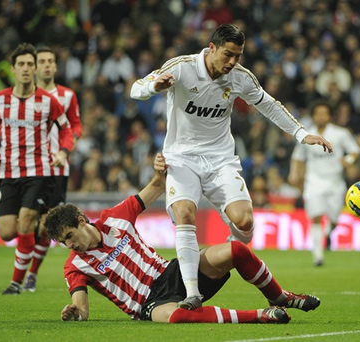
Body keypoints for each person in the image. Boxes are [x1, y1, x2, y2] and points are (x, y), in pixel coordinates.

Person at [130, 23, 333, 309]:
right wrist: (153, 86)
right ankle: (192, 294)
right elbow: (136, 89)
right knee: (185, 213)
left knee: (245, 222)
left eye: (238, 55)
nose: (233, 62)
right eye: (228, 54)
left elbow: (269, 105)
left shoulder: (239, 77)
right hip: (181, 158)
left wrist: (302, 133)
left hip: (220, 159)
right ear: (211, 48)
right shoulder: (182, 67)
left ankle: (227, 254)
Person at [44, 153, 320, 324]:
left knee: (236, 250)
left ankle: (280, 298)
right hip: (148, 304)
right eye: (64, 243)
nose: (70, 246)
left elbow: (155, 187)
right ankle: (260, 316)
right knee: (178, 317)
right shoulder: (75, 266)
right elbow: (83, 309)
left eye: (69, 236)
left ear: (81, 221)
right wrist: (74, 312)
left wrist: (158, 170)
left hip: (174, 272)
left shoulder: (115, 217)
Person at [0, 43, 74, 295]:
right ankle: (30, 250)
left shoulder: (48, 101)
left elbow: (66, 128)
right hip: (9, 172)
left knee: (26, 221)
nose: (26, 69)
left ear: (35, 69)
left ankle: (17, 283)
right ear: (13, 69)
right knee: (6, 232)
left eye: (30, 65)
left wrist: (63, 152)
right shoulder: (0, 99)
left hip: (39, 171)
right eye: (21, 64)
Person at [22, 46, 83, 293]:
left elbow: (76, 126)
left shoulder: (67, 95)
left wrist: (67, 148)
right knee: (24, 222)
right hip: (27, 168)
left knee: (47, 224)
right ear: (35, 67)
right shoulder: (22, 98)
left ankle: (32, 274)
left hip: (57, 170)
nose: (47, 65)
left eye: (51, 61)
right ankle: (24, 268)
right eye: (42, 61)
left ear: (56, 67)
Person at [288, 101, 360, 266]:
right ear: (313, 116)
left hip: (335, 182)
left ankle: (328, 234)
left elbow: (355, 150)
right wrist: (294, 173)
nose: (321, 116)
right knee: (316, 217)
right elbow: (298, 156)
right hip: (313, 182)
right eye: (318, 113)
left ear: (329, 116)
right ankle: (318, 256)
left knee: (334, 219)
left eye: (324, 113)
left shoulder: (340, 134)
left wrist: (347, 160)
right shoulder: (307, 134)